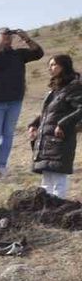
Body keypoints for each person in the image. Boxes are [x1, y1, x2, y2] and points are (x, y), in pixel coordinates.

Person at [0, 26, 44, 178]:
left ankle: (2, 166)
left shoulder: (19, 54)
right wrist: (0, 43)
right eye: (3, 35)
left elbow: (38, 53)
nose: (7, 38)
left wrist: (26, 38)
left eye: (9, 36)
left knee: (8, 134)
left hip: (15, 100)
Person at [28, 54, 82, 199]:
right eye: (49, 65)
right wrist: (34, 124)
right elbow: (49, 113)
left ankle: (59, 211)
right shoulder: (55, 89)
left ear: (63, 66)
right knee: (47, 180)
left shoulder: (74, 86)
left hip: (61, 138)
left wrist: (63, 124)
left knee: (58, 179)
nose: (50, 68)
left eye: (54, 65)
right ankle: (47, 213)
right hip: (47, 140)